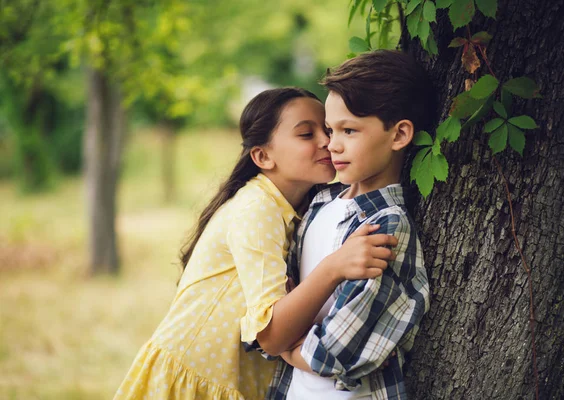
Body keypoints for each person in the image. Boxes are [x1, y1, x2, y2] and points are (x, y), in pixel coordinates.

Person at [113, 87, 398, 400]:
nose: (327, 142)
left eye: (328, 130)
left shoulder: (304, 210)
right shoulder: (257, 207)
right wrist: (334, 267)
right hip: (195, 380)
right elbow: (270, 333)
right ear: (263, 156)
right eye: (306, 134)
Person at [267, 50, 435, 399]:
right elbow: (276, 298)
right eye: (330, 129)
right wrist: (282, 331)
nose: (332, 143)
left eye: (349, 130)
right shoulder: (321, 202)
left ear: (399, 134)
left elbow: (336, 353)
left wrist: (280, 340)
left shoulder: (385, 228)